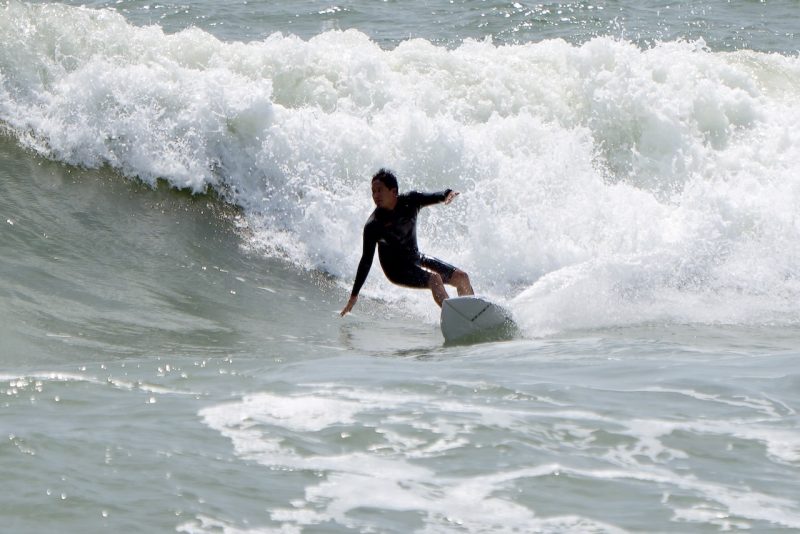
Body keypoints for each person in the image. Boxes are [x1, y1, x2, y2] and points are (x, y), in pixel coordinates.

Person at [340, 169, 474, 316]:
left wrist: (446, 195)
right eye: (373, 191)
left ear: (393, 191)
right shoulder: (374, 226)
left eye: (379, 190)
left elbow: (433, 196)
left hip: (415, 257)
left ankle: (473, 314)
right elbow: (366, 260)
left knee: (462, 277)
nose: (375, 195)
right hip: (397, 271)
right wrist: (354, 295)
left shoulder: (411, 201)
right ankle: (457, 317)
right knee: (435, 279)